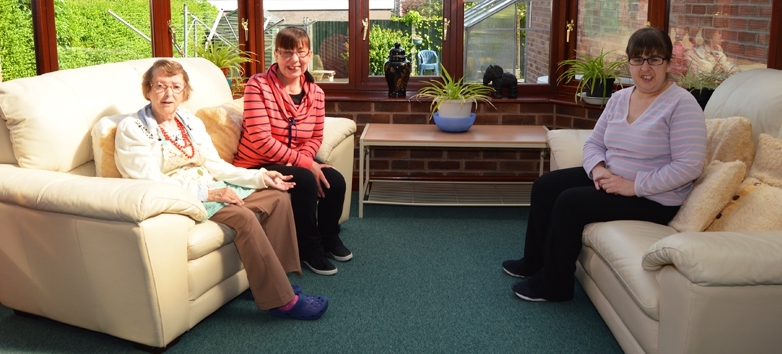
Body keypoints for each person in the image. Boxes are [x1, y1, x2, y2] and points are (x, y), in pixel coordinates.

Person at [502, 27, 707, 302]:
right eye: (638, 59)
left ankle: (554, 286)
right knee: (545, 186)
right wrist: (598, 169)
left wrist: (633, 186)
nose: (645, 67)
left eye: (655, 59)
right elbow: (593, 143)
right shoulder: (621, 98)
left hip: (654, 198)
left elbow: (689, 166)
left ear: (669, 63)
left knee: (570, 202)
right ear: (629, 64)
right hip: (613, 178)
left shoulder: (682, 104)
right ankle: (533, 263)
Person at [114, 59, 328, 320]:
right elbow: (150, 179)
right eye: (160, 86)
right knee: (244, 217)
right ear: (148, 91)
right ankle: (282, 301)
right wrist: (209, 194)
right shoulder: (133, 128)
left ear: (184, 92)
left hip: (210, 184)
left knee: (277, 197)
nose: (168, 93)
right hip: (177, 199)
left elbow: (216, 165)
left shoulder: (188, 121)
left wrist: (261, 176)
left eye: (175, 87)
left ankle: (271, 280)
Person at [233, 27, 351, 276]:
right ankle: (309, 249)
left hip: (295, 160)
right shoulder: (258, 86)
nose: (294, 60)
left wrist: (305, 160)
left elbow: (316, 135)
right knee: (307, 179)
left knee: (335, 181)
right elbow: (261, 140)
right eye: (286, 52)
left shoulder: (317, 93)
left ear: (309, 55)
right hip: (257, 163)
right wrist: (307, 165)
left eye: (301, 52)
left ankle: (329, 238)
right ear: (275, 54)